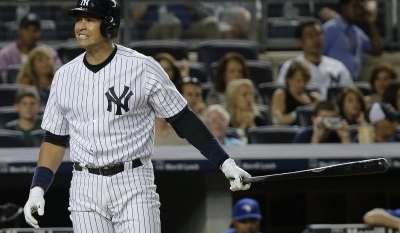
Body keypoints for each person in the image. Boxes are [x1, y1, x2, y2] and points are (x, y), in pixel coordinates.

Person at [22, 1, 251, 232]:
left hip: (133, 182)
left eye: (90, 20)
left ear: (110, 24)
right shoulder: (64, 76)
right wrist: (37, 188)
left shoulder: (142, 67)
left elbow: (183, 119)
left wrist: (225, 163)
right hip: (85, 185)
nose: (81, 26)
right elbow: (55, 139)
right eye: (79, 19)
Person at [276, 19, 353, 100]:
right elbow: (282, 95)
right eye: (310, 36)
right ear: (300, 41)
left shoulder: (338, 67)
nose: (316, 39)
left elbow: (350, 93)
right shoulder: (290, 66)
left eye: (319, 34)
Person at [322, 0, 382, 81]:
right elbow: (318, 56)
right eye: (354, 6)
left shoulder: (357, 32)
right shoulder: (330, 29)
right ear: (344, 7)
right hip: (333, 84)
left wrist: (371, 23)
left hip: (352, 84)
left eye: (360, 8)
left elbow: (376, 50)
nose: (358, 11)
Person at [0, 12, 62, 84]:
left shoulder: (49, 52)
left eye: (35, 30)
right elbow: (5, 81)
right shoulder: (5, 54)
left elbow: (60, 74)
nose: (31, 34)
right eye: (27, 29)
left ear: (40, 33)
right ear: (19, 31)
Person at [271, 60, 320, 126]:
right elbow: (277, 121)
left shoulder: (313, 97)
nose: (302, 84)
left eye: (305, 81)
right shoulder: (281, 94)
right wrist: (300, 114)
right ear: (289, 79)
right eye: (298, 80)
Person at [225, 79, 268, 144]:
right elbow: (230, 143)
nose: (249, 98)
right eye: (244, 95)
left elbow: (266, 141)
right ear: (233, 98)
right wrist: (243, 126)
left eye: (250, 94)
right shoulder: (226, 120)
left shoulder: (258, 118)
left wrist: (252, 125)